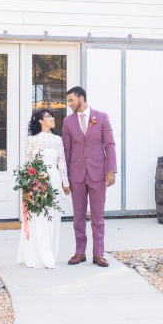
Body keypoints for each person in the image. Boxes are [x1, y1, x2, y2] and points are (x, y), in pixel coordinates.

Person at [61, 85, 117, 267]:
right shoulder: (68, 122)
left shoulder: (101, 117)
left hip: (97, 173)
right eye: (68, 101)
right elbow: (66, 149)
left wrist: (111, 170)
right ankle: (79, 252)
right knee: (78, 215)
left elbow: (109, 144)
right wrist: (65, 178)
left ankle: (98, 254)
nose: (69, 104)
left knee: (97, 215)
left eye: (71, 100)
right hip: (76, 174)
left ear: (81, 98)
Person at [15, 109, 70, 269]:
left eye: (52, 116)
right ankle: (36, 254)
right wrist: (29, 183)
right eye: (48, 116)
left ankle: (49, 253)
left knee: (53, 217)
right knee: (38, 217)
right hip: (37, 181)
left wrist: (65, 183)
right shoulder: (32, 140)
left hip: (54, 179)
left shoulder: (58, 140)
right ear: (40, 121)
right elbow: (26, 164)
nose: (52, 118)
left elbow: (62, 163)